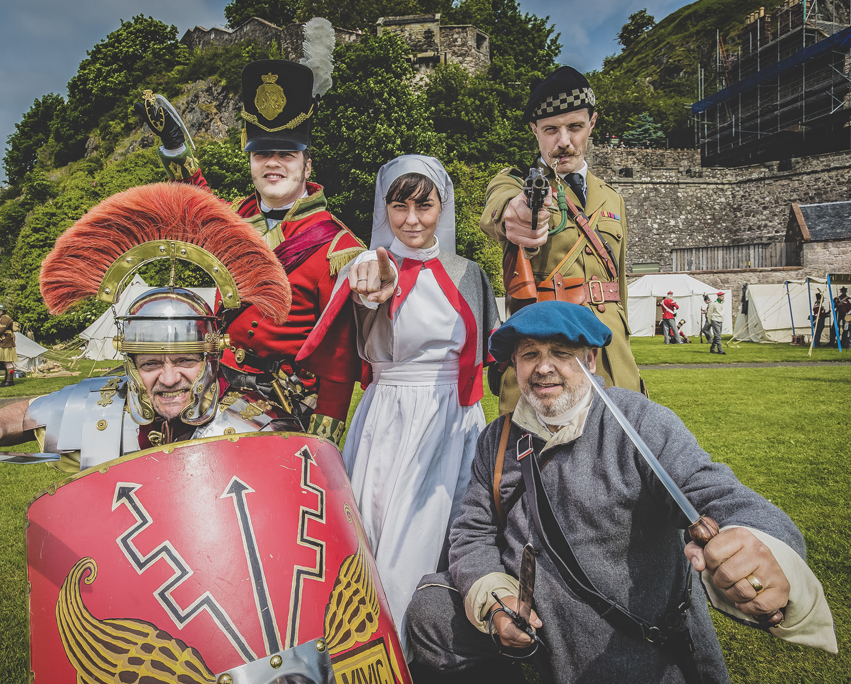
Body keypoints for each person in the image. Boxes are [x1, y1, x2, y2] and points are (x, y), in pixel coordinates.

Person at [405, 301, 837, 684]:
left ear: (590, 359)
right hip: (538, 624)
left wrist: (763, 545)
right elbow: (471, 535)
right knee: (431, 615)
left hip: (629, 638)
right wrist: (498, 603)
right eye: (530, 354)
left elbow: (715, 490)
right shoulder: (497, 440)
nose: (543, 367)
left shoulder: (640, 422)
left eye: (560, 352)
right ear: (515, 367)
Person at [0, 181, 292, 484]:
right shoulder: (105, 402)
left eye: (184, 360)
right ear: (128, 363)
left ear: (211, 357)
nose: (168, 378)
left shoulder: (258, 426)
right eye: (149, 363)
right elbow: (17, 416)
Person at [298, 156, 500, 649]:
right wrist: (368, 278)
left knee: (455, 528)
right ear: (384, 208)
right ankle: (380, 649)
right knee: (387, 535)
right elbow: (369, 288)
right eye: (399, 205)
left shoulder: (469, 273)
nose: (411, 219)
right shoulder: (371, 267)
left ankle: (446, 640)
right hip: (392, 417)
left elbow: (494, 348)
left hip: (455, 419)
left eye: (424, 205)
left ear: (442, 207)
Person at [135, 24, 363, 444]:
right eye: (262, 153)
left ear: (307, 165)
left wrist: (321, 442)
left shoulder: (339, 248)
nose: (272, 164)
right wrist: (174, 147)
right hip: (216, 382)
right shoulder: (238, 218)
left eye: (286, 154)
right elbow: (195, 199)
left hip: (285, 404)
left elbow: (339, 359)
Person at [479, 66, 642, 412]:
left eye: (575, 127)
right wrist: (518, 212)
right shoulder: (514, 184)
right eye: (551, 129)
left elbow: (620, 286)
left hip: (614, 360)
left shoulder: (611, 198)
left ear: (592, 123)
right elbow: (501, 209)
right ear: (534, 131)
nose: (564, 141)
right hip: (549, 360)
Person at [0, 303, 18, 387]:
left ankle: (9, 380)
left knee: (8, 363)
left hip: (6, 343)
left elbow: (0, 330)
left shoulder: (5, 319)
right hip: (4, 343)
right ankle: (7, 380)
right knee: (6, 363)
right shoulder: (1, 318)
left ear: (0, 310)